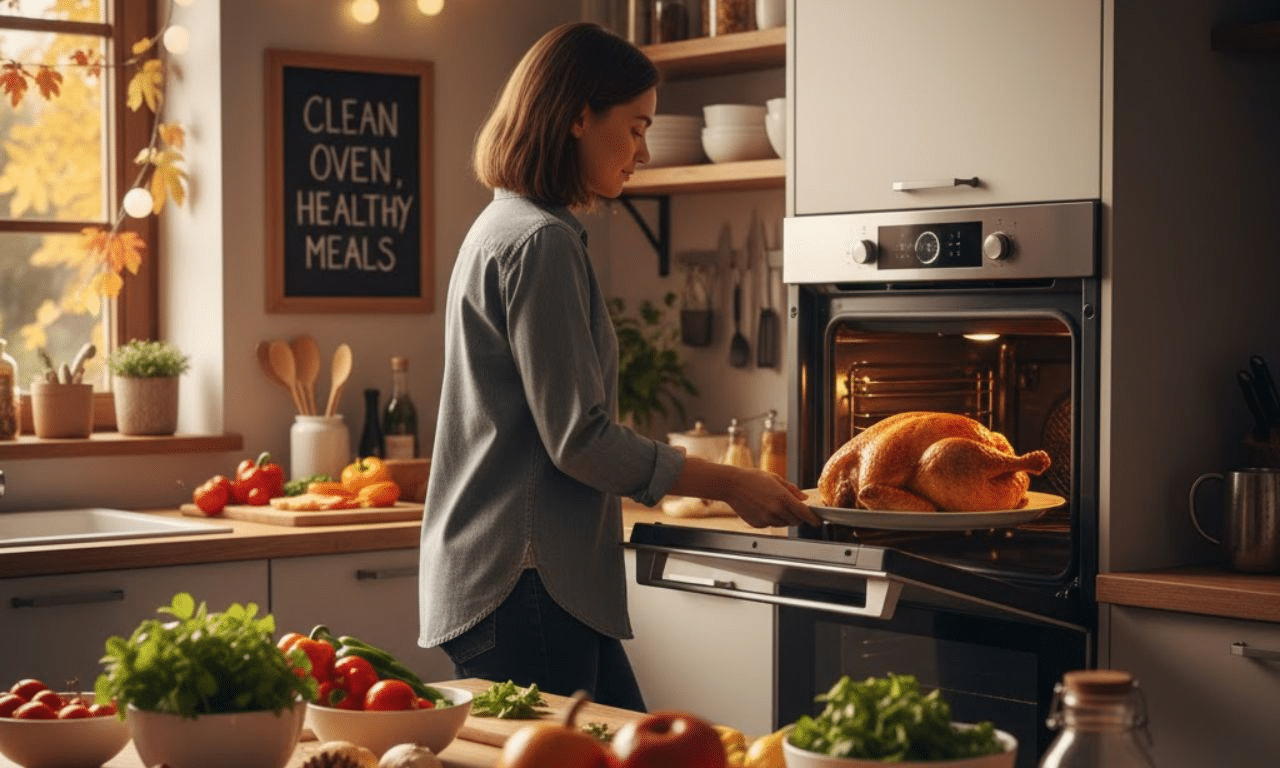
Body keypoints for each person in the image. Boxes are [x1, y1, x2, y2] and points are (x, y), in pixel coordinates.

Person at [417, 21, 820, 711]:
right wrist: (729, 482)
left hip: (522, 577)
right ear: (578, 117)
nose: (642, 152)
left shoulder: (502, 225)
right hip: (529, 578)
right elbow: (580, 439)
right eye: (634, 128)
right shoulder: (540, 243)